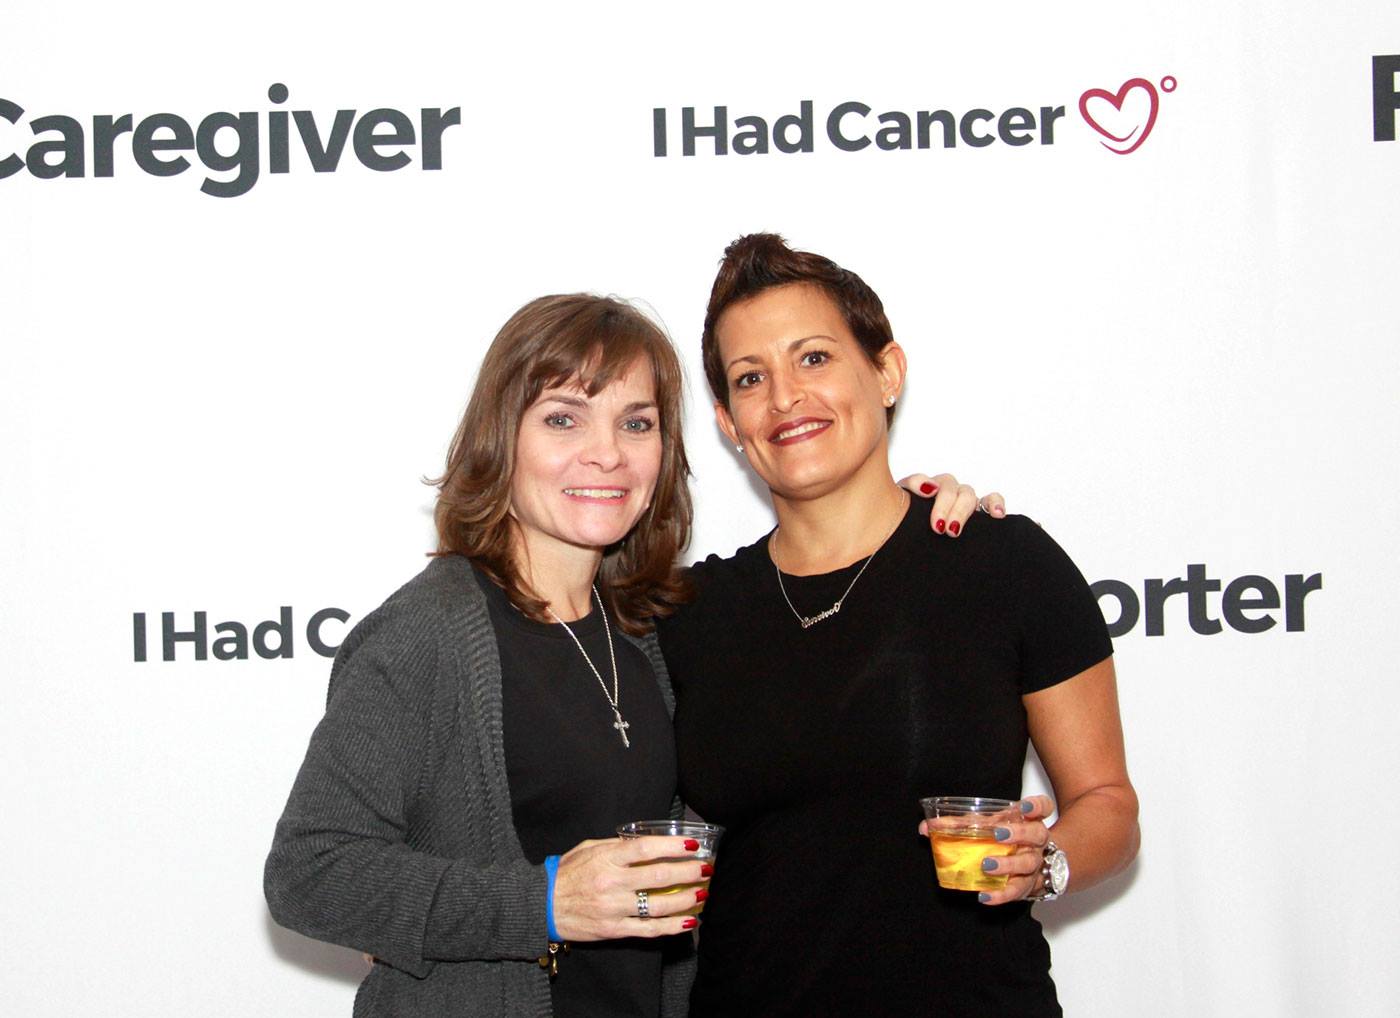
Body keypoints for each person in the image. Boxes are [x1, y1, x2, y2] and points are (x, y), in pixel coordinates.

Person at [263, 292, 991, 1017]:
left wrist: (906, 513)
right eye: (562, 419)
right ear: (500, 437)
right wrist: (545, 902)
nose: (607, 453)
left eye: (636, 423)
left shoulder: (646, 627)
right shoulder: (429, 633)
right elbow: (307, 871)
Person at [656, 234, 1141, 1017]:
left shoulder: (1002, 562)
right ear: (728, 422)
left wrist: (1044, 861)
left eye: (814, 358)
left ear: (886, 373)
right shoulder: (687, 613)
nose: (785, 396)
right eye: (751, 378)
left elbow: (1108, 802)